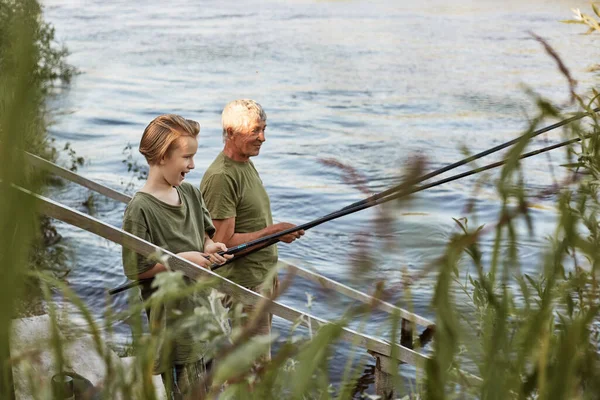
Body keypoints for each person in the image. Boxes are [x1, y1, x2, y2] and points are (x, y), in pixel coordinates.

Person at [121, 114, 231, 399]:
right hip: (177, 334)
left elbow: (203, 237)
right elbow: (136, 270)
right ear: (161, 156)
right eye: (187, 157)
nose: (193, 165)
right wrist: (182, 260)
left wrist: (209, 248)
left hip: (209, 315)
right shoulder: (140, 209)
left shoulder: (191, 194)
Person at [200, 99, 304, 359]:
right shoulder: (222, 177)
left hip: (260, 281)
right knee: (251, 375)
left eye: (264, 129)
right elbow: (220, 247)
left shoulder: (244, 163)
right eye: (255, 130)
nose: (263, 138)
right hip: (242, 290)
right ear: (231, 133)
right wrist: (274, 233)